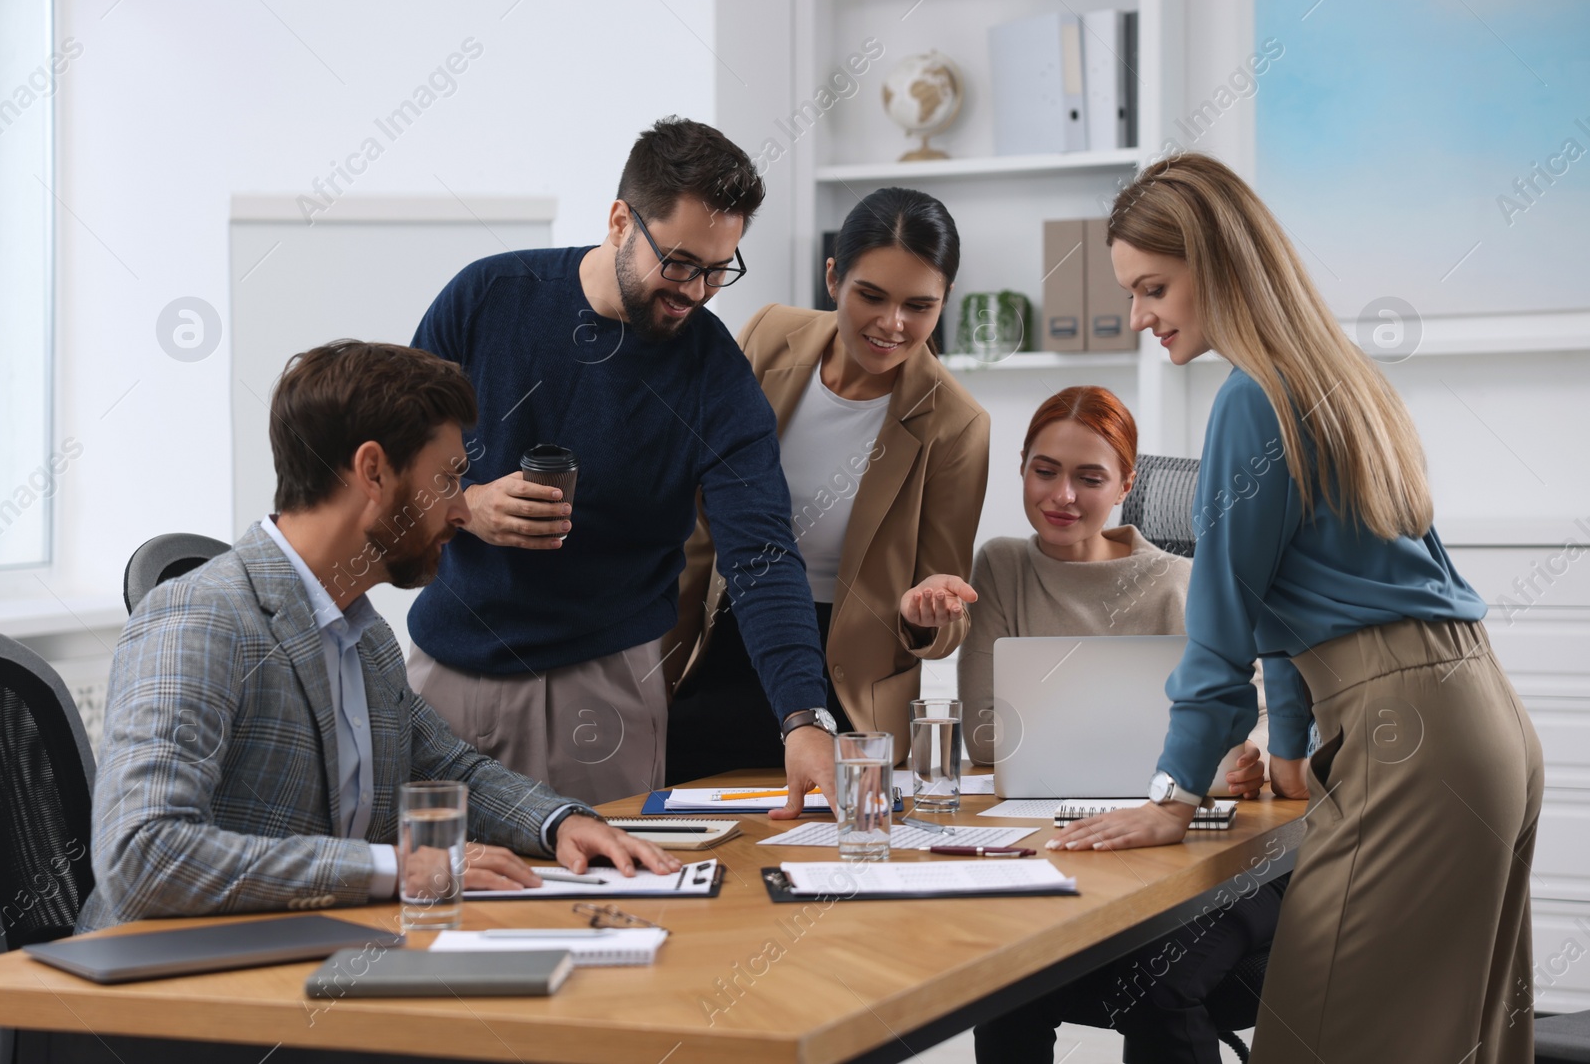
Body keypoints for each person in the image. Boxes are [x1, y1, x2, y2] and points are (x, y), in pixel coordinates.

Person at [1049, 153, 1543, 1063]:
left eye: (1153, 286)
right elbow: (1295, 592)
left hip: (1413, 738)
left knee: (1320, 1042)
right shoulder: (1338, 379)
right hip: (1482, 718)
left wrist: (1172, 795)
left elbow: (1225, 612)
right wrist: (1287, 752)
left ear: (1219, 260)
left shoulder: (1250, 397)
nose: (1141, 316)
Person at [79, 341, 677, 934]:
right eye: (448, 480)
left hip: (313, 963)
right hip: (171, 996)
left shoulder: (364, 636)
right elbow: (142, 854)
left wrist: (560, 823)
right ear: (373, 472)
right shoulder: (199, 619)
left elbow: (446, 765)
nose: (462, 511)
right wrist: (401, 869)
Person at [402, 117, 835, 813]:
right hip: (443, 674)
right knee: (428, 899)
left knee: (603, 908)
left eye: (720, 269)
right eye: (682, 262)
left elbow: (760, 553)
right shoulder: (485, 297)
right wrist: (466, 506)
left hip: (600, 693)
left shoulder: (714, 376)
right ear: (619, 221)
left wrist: (803, 717)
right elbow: (392, 466)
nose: (698, 291)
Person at [933, 385, 1275, 1062]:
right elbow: (987, 736)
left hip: (1191, 854)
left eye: (1089, 477)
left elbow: (1255, 713)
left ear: (1126, 482)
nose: (1062, 495)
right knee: (1008, 972)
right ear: (1023, 468)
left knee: (1158, 984)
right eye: (1045, 470)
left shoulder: (1183, 579)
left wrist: (1251, 755)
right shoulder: (1002, 564)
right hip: (1063, 843)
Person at [664, 187, 989, 778]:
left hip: (848, 690)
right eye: (871, 296)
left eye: (919, 305)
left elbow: (946, 613)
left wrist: (928, 613)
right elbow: (700, 507)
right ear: (834, 277)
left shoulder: (957, 424)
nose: (892, 324)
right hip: (727, 637)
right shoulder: (768, 335)